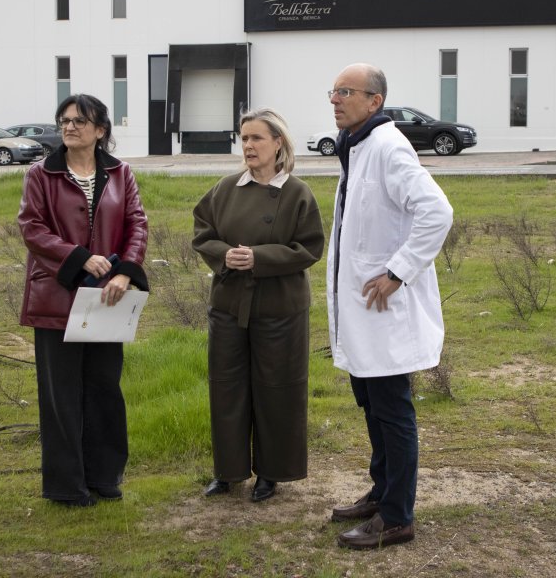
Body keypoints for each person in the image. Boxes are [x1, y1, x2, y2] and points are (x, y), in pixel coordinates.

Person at [324, 63, 453, 549]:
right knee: (374, 408)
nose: (335, 99)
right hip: (363, 311)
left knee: (392, 411)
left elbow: (437, 212)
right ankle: (382, 493)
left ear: (374, 101)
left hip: (384, 311)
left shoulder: (388, 147)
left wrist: (399, 271)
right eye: (333, 91)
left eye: (346, 91)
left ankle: (398, 517)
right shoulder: (357, 147)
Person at [18, 93, 149, 507]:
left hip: (107, 298)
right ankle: (66, 486)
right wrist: (77, 257)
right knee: (61, 395)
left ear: (100, 130)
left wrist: (126, 271)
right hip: (57, 298)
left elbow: (137, 223)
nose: (70, 126)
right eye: (65, 120)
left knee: (104, 389)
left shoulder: (120, 173)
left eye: (79, 120)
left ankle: (104, 477)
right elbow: (32, 228)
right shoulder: (41, 174)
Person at [192, 108, 325, 503]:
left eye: (256, 139)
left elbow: (310, 247)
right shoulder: (226, 188)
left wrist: (260, 258)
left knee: (277, 390)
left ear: (278, 143)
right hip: (230, 304)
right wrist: (224, 254)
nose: (248, 146)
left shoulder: (297, 192)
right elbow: (203, 232)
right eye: (244, 138)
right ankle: (228, 471)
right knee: (227, 388)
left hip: (279, 308)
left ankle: (272, 472)